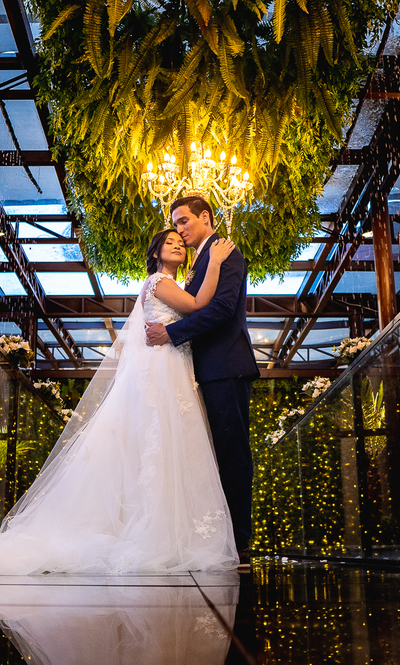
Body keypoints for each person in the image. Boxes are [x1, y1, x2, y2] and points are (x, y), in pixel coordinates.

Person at [0, 227, 239, 574]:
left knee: (164, 443)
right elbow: (198, 305)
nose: (178, 245)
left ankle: (169, 529)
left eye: (180, 243)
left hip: (173, 364)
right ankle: (157, 531)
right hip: (162, 369)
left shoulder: (174, 284)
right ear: (156, 253)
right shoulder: (159, 282)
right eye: (169, 243)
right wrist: (216, 261)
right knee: (159, 439)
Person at [145, 195, 260, 566]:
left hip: (225, 365)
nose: (179, 229)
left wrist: (171, 333)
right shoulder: (199, 261)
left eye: (183, 221)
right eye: (175, 224)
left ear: (206, 217)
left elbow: (223, 309)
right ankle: (215, 539)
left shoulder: (224, 253)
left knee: (231, 454)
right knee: (211, 455)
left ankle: (238, 543)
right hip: (202, 371)